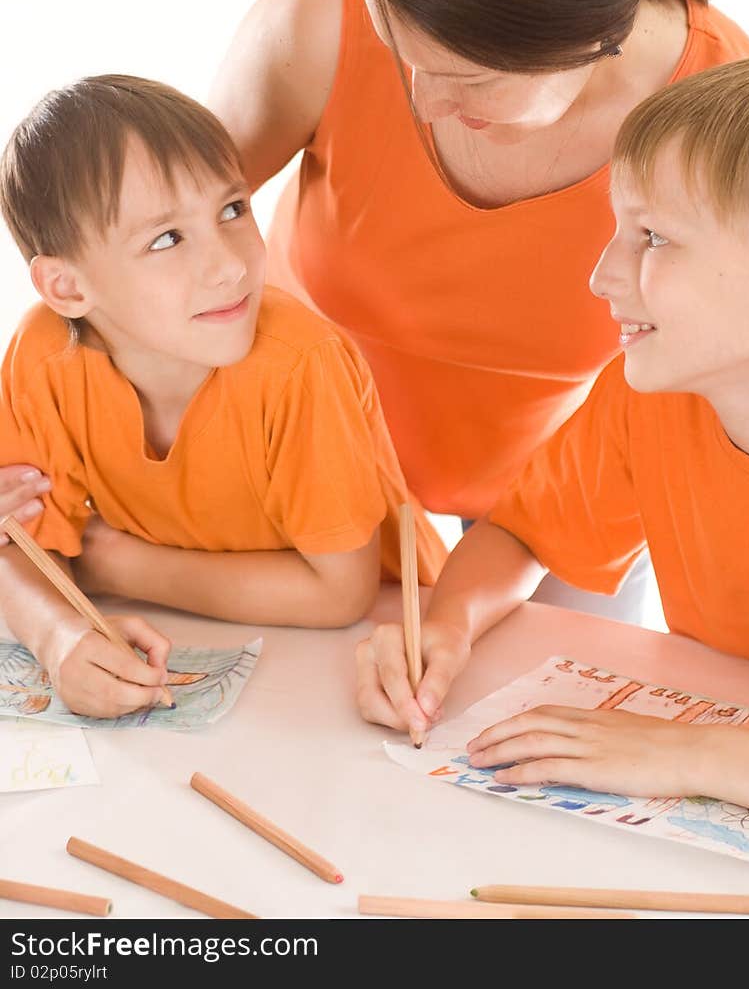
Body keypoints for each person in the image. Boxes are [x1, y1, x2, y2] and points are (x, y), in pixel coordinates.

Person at [208, 0, 749, 622]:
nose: (422, 106)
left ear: (596, 44)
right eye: (401, 57)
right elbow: (149, 236)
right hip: (304, 459)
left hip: (553, 503)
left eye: (470, 83)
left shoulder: (719, 112)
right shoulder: (320, 14)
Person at [354, 56, 749, 855]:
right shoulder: (650, 400)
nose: (601, 276)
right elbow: (524, 532)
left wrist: (688, 753)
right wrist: (449, 627)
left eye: (654, 237)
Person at [0, 76, 444, 718]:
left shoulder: (298, 363)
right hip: (211, 641)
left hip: (379, 657)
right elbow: (22, 549)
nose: (230, 266)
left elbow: (339, 594)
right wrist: (58, 635)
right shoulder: (44, 355)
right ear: (67, 288)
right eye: (166, 239)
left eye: (233, 209)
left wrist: (109, 563)